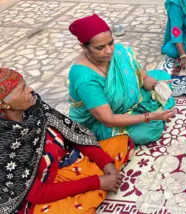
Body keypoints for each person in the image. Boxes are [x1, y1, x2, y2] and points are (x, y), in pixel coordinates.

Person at [0, 68, 133, 213]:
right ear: (5, 104)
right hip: (41, 191)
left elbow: (72, 133)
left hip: (64, 163)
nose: (30, 89)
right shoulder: (4, 140)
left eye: (26, 84)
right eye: (22, 89)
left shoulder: (35, 107)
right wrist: (97, 182)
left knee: (122, 143)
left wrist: (107, 164)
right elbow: (37, 193)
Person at [68, 14, 177, 145]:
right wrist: (149, 117)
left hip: (124, 103)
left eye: (110, 43)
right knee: (146, 132)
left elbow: (144, 77)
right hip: (100, 121)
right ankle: (153, 115)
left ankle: (150, 113)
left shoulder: (120, 52)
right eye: (100, 48)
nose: (108, 51)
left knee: (161, 76)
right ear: (83, 47)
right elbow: (108, 119)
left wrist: (155, 85)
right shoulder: (84, 78)